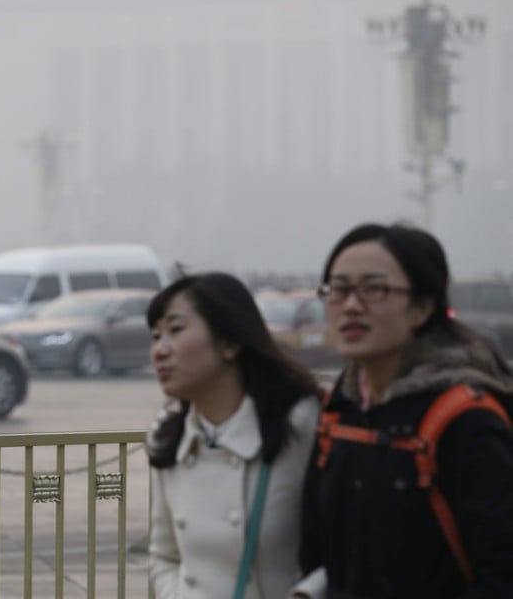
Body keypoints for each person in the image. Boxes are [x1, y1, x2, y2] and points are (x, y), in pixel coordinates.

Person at [296, 222, 513, 598]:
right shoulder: (339, 413)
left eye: (373, 289)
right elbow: (322, 550)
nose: (351, 306)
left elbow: (501, 574)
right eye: (339, 289)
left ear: (422, 307)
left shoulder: (465, 421)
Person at [146, 272, 322, 599]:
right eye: (156, 336)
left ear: (229, 342)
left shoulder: (300, 422)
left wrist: (307, 594)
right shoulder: (168, 438)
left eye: (175, 330)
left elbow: (352, 542)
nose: (160, 350)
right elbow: (163, 556)